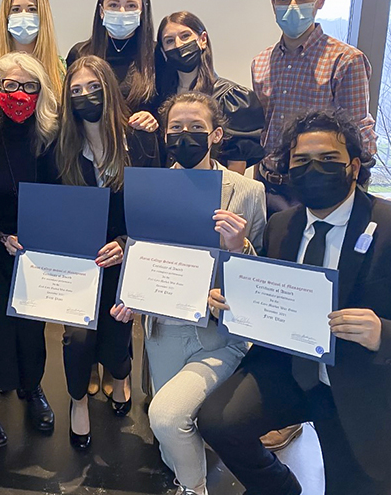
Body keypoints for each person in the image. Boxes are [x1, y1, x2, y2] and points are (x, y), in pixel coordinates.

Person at [197, 110, 391, 495]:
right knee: (218, 421)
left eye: (328, 159)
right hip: (292, 370)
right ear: (287, 169)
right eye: (301, 161)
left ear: (353, 165)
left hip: (362, 384)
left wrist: (384, 333)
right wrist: (231, 302)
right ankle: (282, 488)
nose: (314, 168)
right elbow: (271, 299)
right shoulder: (283, 225)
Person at [110, 92, 266, 495]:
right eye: (176, 128)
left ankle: (193, 489)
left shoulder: (247, 192)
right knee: (169, 441)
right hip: (163, 330)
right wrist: (132, 296)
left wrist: (238, 248)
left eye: (196, 128)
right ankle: (189, 460)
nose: (185, 136)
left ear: (215, 134)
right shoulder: (151, 187)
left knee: (165, 417)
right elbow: (144, 251)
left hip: (218, 335)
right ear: (164, 135)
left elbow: (263, 274)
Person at [49, 55, 160, 450]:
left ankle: (120, 373)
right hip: (80, 263)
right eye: (75, 91)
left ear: (109, 91)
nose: (84, 97)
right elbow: (53, 211)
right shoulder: (59, 147)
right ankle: (78, 401)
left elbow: (153, 213)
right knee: (77, 338)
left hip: (125, 259)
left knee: (116, 334)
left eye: (92, 88)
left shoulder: (142, 141)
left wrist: (128, 245)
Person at [0, 52, 59, 447]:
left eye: (29, 86)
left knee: (32, 326)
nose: (19, 94)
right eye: (10, 85)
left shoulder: (52, 139)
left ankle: (31, 387)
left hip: (37, 252)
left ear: (41, 93)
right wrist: (0, 237)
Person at [253, 0, 376, 216]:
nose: (293, 5)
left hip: (319, 189)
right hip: (270, 187)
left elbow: (358, 135)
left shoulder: (345, 61)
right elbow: (265, 129)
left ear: (320, 0)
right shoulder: (261, 62)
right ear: (273, 4)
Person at [156, 11, 265, 173]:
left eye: (185, 36)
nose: (178, 45)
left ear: (203, 40)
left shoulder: (231, 97)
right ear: (163, 51)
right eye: (169, 41)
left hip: (215, 191)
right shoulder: (160, 97)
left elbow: (236, 167)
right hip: (170, 188)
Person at [67, 0, 160, 134]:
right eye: (114, 5)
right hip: (92, 151)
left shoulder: (157, 54)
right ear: (102, 11)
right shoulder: (80, 54)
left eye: (131, 5)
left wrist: (153, 118)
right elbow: (71, 112)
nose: (122, 11)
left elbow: (167, 107)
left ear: (142, 11)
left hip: (144, 151)